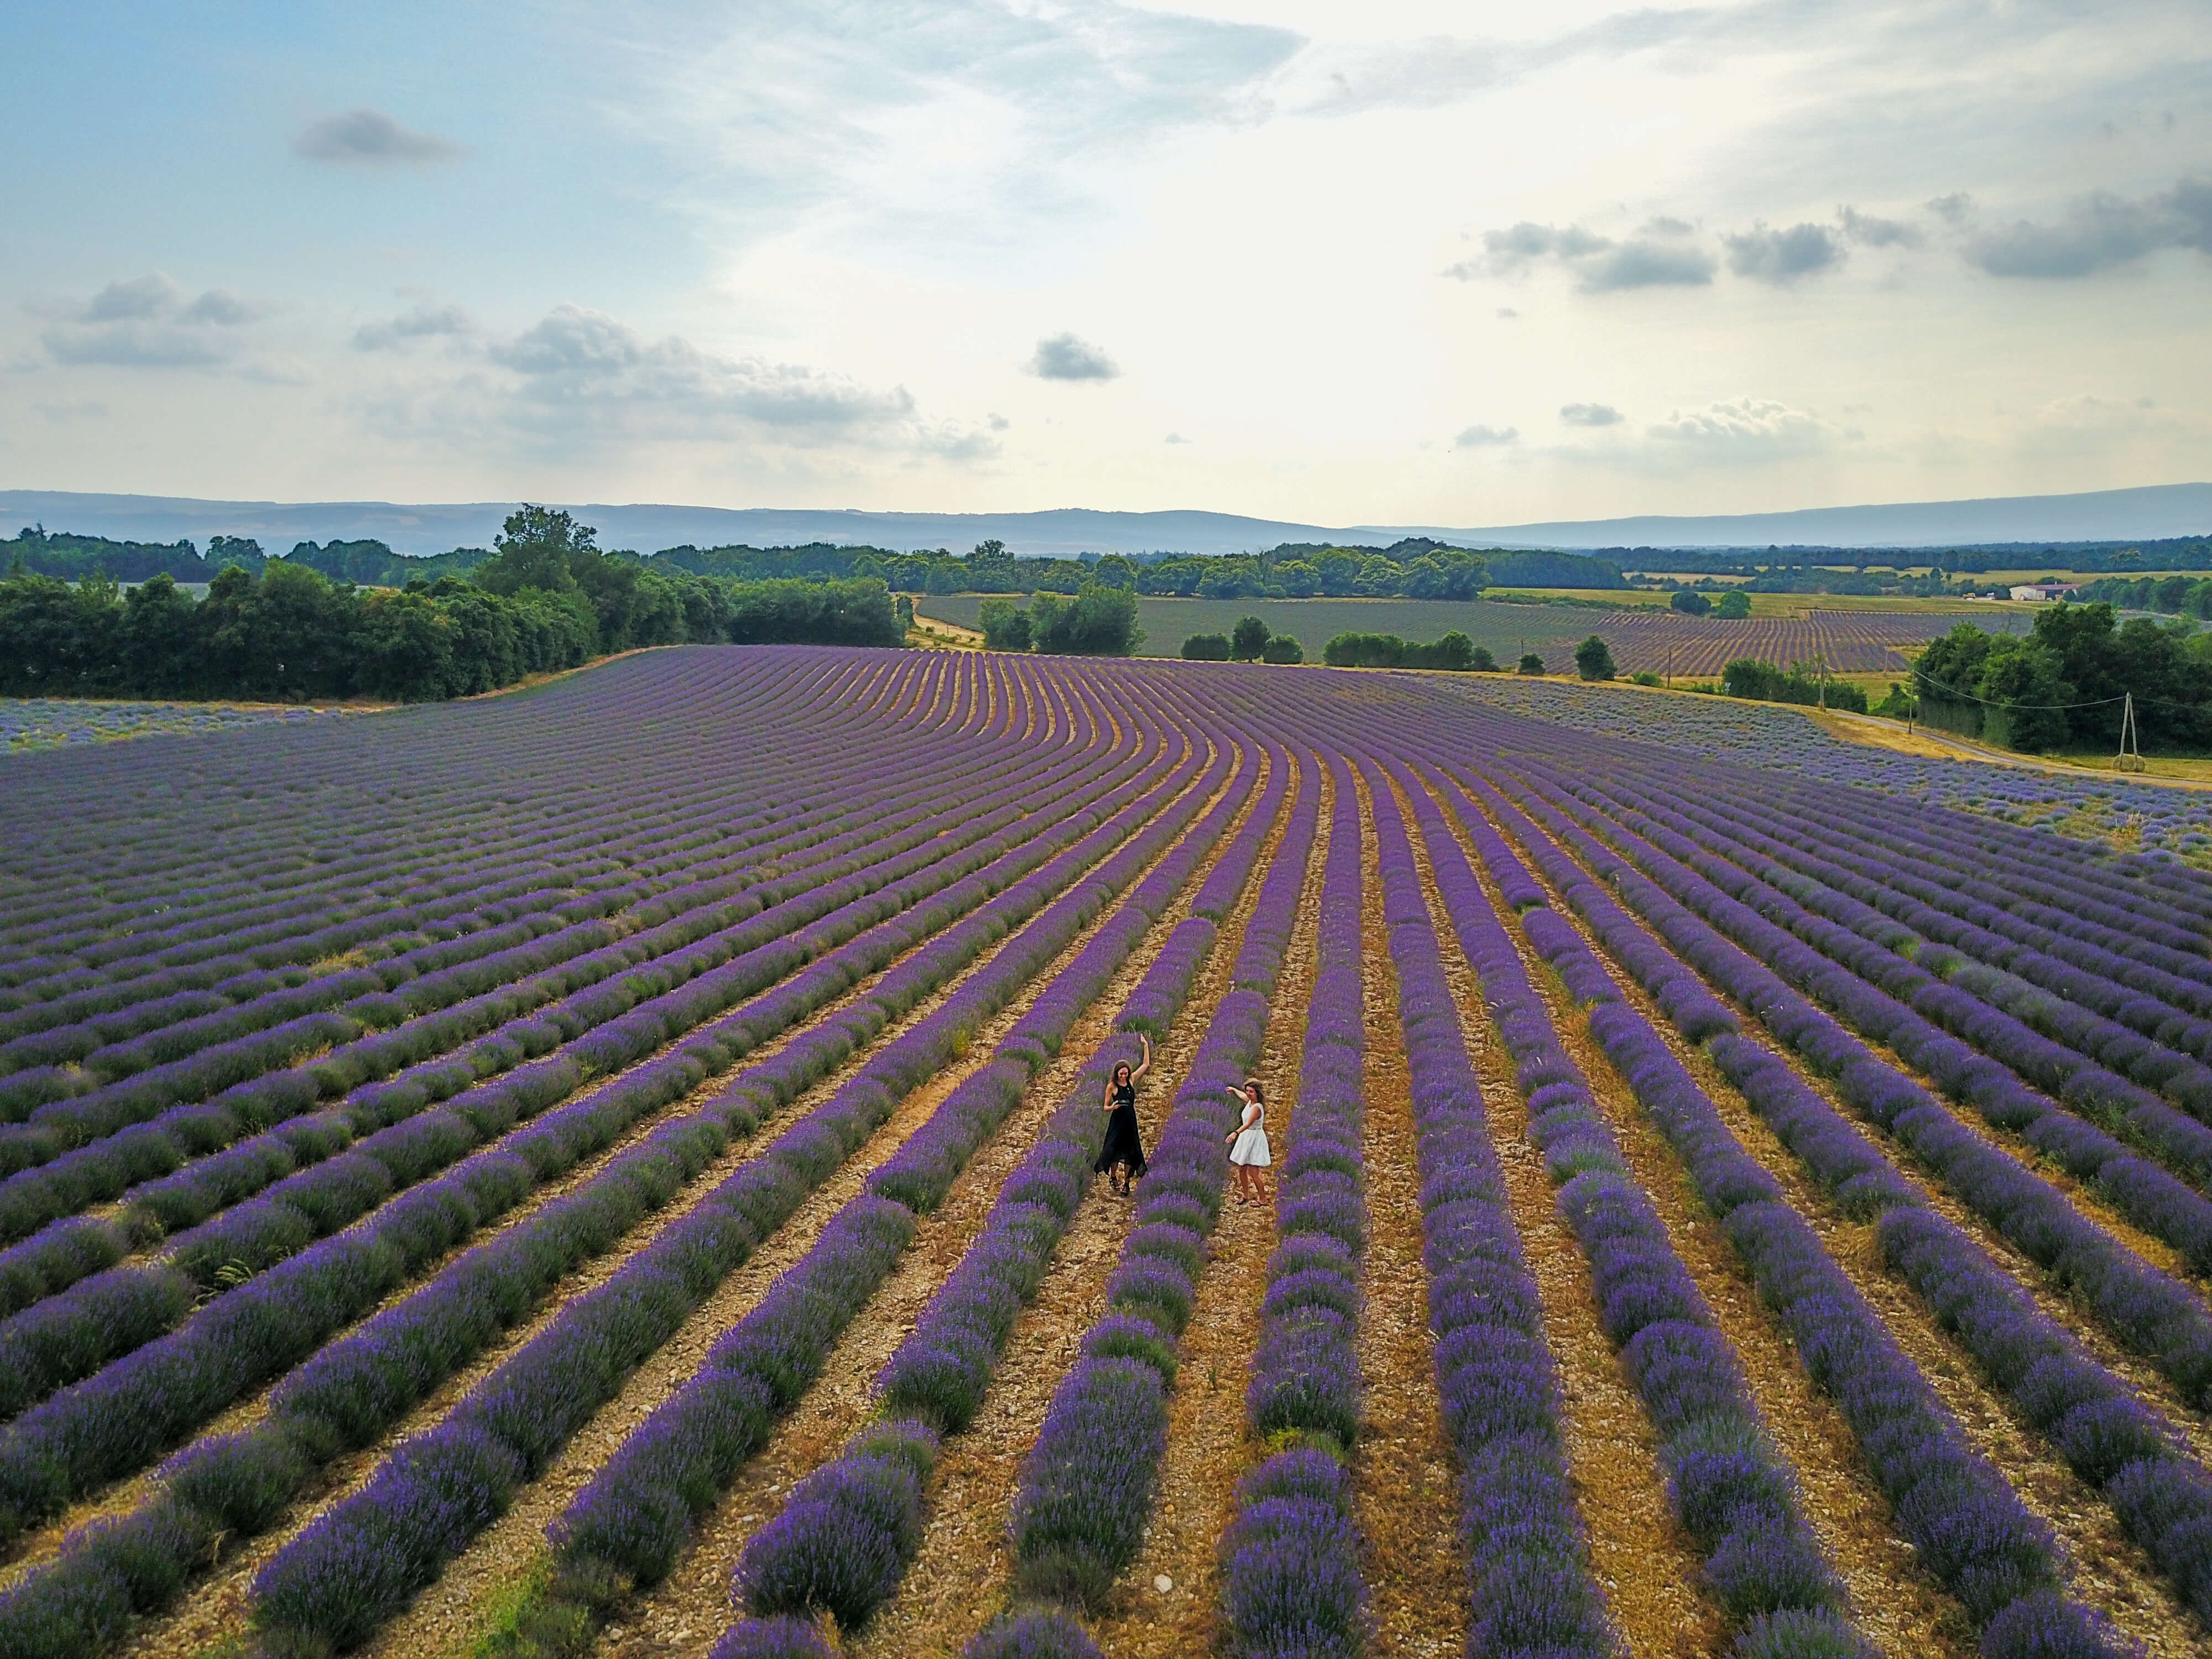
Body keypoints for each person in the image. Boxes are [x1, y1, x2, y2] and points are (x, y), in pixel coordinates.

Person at [1095, 1034, 1152, 1194]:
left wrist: (1145, 1045)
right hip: (1117, 1122)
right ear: (1116, 1073)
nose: (1124, 1076)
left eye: (1126, 1073)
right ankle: (1113, 1177)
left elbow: (1146, 1064)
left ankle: (1126, 1184)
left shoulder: (1132, 1080)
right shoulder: (1111, 1087)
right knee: (1114, 1152)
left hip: (1130, 1122)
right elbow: (1105, 1107)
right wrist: (1113, 1107)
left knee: (1130, 1154)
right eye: (1121, 1074)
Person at [1226, 1078, 1271, 1204]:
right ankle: (1245, 1195)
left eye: (1251, 1092)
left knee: (1253, 1171)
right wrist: (1234, 1089)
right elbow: (1242, 1096)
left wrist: (1235, 1133)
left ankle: (1263, 1199)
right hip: (1246, 1138)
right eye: (1247, 1091)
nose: (1248, 1094)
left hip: (1254, 1138)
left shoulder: (1257, 1107)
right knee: (1242, 1168)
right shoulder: (1250, 1102)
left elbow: (1248, 1124)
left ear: (1257, 1093)